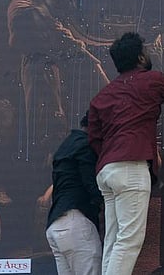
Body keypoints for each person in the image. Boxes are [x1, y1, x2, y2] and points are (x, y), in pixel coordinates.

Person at [87, 32, 164, 275]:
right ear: (140, 57)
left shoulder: (102, 96)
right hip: (131, 167)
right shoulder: (153, 80)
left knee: (114, 239)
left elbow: (94, 139)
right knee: (128, 241)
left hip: (106, 171)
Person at [46, 112, 103, 275]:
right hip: (76, 223)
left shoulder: (68, 143)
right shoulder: (85, 145)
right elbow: (91, 184)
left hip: (56, 225)